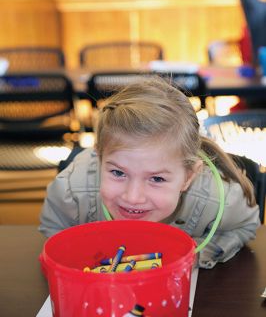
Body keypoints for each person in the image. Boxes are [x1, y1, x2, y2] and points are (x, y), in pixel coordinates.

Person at [39, 77, 260, 269]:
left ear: (189, 176)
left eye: (157, 178)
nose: (133, 197)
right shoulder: (71, 190)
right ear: (99, 158)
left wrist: (198, 256)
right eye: (118, 173)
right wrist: (91, 257)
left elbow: (246, 225)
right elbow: (53, 231)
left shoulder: (219, 199)